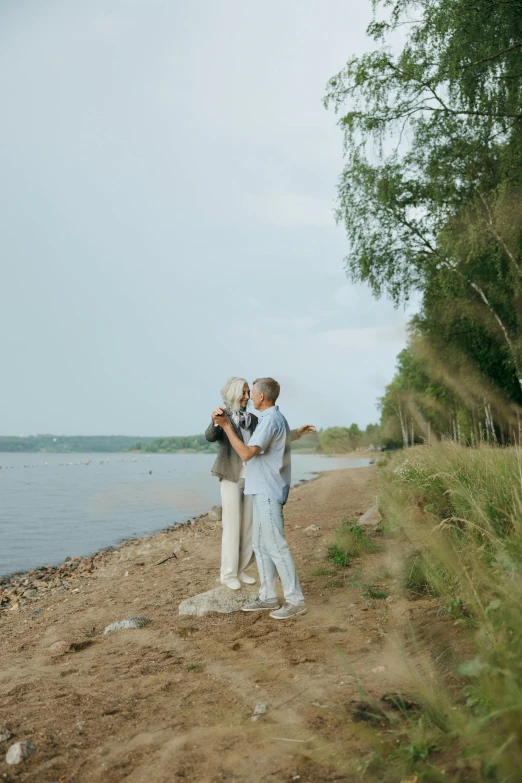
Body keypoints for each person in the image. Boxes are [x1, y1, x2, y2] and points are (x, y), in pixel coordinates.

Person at [213, 377, 315, 620]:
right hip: (258, 490)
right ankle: (268, 595)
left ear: (260, 396)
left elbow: (247, 453)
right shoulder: (271, 419)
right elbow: (277, 440)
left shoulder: (269, 420)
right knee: (260, 546)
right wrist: (298, 433)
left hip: (268, 491)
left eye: (252, 392)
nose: (249, 397)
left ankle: (295, 600)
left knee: (276, 547)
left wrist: (227, 426)